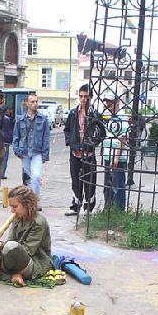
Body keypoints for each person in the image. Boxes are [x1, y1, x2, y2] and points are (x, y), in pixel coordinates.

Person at [0, 185, 52, 287]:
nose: (12, 211)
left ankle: (8, 274)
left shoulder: (39, 222)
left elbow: (26, 250)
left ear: (27, 205)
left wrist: (1, 247)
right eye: (11, 207)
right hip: (11, 260)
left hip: (33, 263)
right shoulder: (17, 218)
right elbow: (9, 242)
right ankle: (13, 276)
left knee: (10, 246)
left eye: (15, 207)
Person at [64, 84, 97, 216]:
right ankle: (75, 205)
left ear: (90, 97)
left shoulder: (94, 114)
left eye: (86, 97)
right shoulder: (73, 113)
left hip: (89, 153)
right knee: (75, 179)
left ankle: (89, 207)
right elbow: (67, 130)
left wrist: (93, 143)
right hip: (75, 152)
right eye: (81, 96)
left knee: (90, 180)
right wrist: (70, 142)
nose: (83, 99)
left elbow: (100, 132)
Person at [11, 94, 50, 205]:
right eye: (32, 102)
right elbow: (15, 136)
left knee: (36, 176)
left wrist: (45, 155)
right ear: (27, 103)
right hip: (24, 152)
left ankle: (34, 201)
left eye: (36, 101)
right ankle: (28, 202)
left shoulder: (43, 119)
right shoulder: (20, 119)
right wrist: (17, 150)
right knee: (27, 178)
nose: (35, 104)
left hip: (37, 151)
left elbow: (46, 137)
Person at [0, 107, 14, 179]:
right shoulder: (7, 119)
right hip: (6, 140)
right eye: (9, 110)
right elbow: (9, 130)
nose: (11, 111)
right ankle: (2, 174)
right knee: (5, 157)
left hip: (0, 140)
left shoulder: (0, 117)